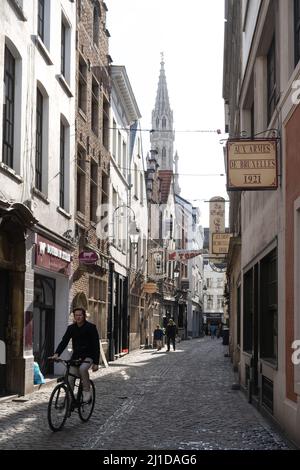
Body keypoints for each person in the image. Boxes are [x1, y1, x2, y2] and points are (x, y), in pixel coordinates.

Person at [50, 308, 100, 403]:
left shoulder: (91, 327)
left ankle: (86, 391)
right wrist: (56, 354)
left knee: (82, 369)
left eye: (80, 315)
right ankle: (68, 401)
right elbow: (64, 342)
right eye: (76, 315)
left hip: (88, 356)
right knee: (70, 377)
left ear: (84, 316)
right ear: (74, 316)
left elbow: (96, 345)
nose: (78, 317)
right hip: (76, 357)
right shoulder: (71, 328)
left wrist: (96, 363)